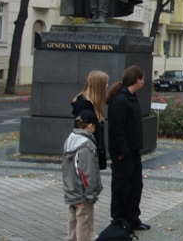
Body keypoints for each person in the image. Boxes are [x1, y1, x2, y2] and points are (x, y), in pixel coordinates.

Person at [106, 66, 149, 231]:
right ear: (137, 80)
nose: (144, 82)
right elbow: (117, 129)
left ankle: (132, 218)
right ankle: (119, 220)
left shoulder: (132, 98)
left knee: (136, 185)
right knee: (121, 187)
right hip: (124, 153)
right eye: (143, 79)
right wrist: (122, 152)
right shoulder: (120, 100)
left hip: (134, 150)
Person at [62, 110, 103, 241]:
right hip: (83, 192)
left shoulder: (70, 140)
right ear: (90, 125)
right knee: (84, 223)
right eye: (95, 125)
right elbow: (87, 172)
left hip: (71, 188)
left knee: (73, 221)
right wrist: (91, 193)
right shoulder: (86, 146)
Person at [72, 70, 109, 170]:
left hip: (92, 151)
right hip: (87, 153)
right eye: (105, 83)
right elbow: (81, 131)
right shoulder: (85, 104)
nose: (107, 86)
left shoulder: (93, 104)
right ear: (98, 85)